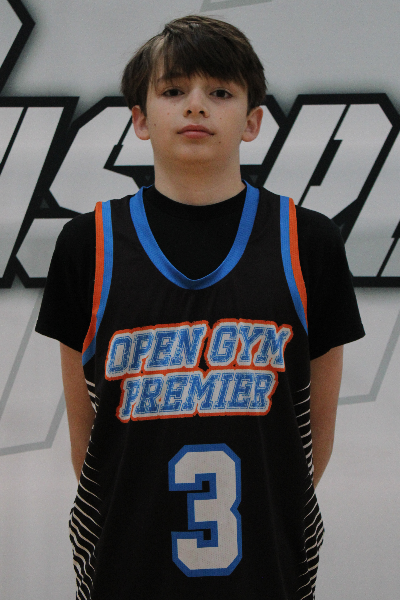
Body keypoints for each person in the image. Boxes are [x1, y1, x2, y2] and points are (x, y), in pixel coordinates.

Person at [36, 14, 365, 600]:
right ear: (140, 119)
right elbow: (88, 442)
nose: (195, 105)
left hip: (268, 569)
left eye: (219, 92)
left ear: (252, 121)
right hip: (123, 568)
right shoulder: (88, 244)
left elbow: (311, 440)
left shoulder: (308, 242)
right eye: (172, 91)